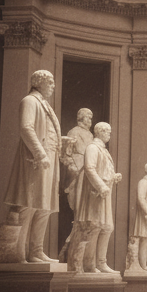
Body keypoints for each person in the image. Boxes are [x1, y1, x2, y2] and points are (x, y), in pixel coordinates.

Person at [1, 69, 61, 263]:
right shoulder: (30, 101)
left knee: (45, 207)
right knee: (29, 205)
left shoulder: (45, 105)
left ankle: (36, 251)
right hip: (37, 160)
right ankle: (19, 253)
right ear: (39, 82)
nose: (53, 86)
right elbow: (26, 128)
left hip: (49, 160)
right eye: (50, 82)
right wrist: (40, 152)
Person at [68, 122, 121, 273]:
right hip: (95, 194)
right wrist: (101, 185)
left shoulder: (103, 150)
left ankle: (101, 263)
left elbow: (102, 169)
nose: (109, 134)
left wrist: (112, 177)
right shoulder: (92, 147)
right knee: (95, 227)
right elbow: (90, 169)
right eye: (107, 132)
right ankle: (90, 264)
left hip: (103, 193)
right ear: (100, 132)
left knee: (107, 227)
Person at [58, 107, 93, 262]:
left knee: (87, 211)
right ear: (81, 118)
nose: (90, 121)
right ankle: (69, 252)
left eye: (91, 118)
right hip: (78, 171)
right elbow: (66, 153)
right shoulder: (74, 132)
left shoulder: (91, 135)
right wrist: (73, 166)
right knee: (77, 209)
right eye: (88, 117)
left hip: (89, 172)